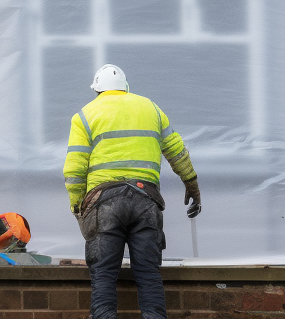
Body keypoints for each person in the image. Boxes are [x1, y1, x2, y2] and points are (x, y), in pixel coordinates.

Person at [64, 65, 200, 319]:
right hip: (145, 200)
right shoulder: (151, 108)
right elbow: (177, 151)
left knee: (104, 273)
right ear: (125, 87)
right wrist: (192, 184)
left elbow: (74, 168)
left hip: (103, 204)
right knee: (148, 272)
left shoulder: (84, 115)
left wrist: (76, 204)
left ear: (97, 90)